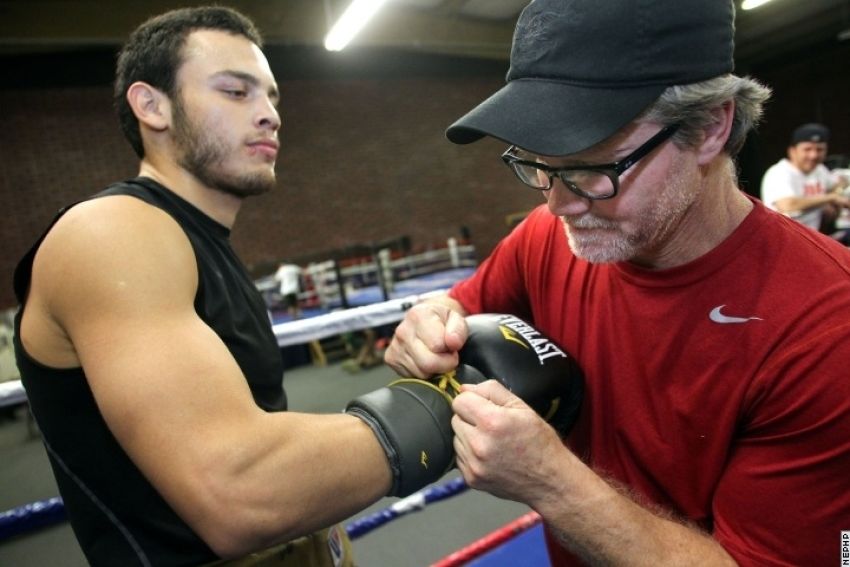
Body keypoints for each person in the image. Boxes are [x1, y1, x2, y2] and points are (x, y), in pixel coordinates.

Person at [384, 0, 850, 565]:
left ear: (710, 127)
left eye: (592, 168)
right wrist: (427, 325)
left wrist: (553, 482)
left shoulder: (827, 330)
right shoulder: (547, 236)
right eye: (537, 165)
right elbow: (456, 312)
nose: (557, 204)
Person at [11, 7, 464, 566]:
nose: (269, 115)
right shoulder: (111, 233)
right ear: (152, 106)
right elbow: (242, 491)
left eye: (272, 97)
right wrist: (460, 401)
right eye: (235, 92)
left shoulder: (193, 240)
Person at [761, 123, 850, 240]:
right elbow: (788, 205)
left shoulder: (820, 170)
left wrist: (834, 199)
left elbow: (839, 183)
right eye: (807, 149)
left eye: (819, 149)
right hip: (784, 239)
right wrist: (830, 198)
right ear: (792, 151)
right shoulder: (779, 172)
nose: (813, 155)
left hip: (812, 238)